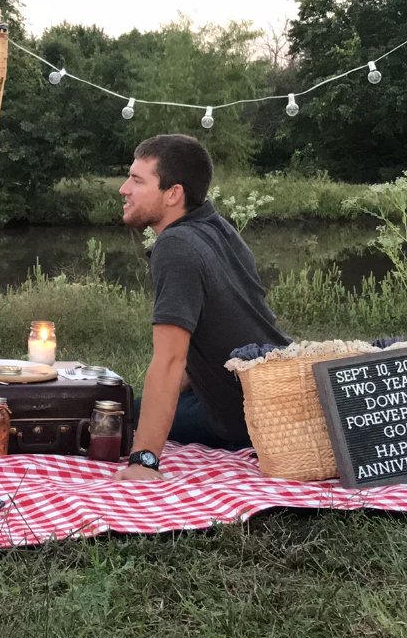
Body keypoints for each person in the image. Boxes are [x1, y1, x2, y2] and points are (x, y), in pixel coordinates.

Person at [114, 134, 292, 482]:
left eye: (137, 180)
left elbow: (169, 360)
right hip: (277, 396)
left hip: (238, 418)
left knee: (111, 416)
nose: (124, 189)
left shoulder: (176, 246)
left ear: (173, 194)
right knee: (130, 405)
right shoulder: (217, 227)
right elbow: (218, 331)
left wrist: (143, 461)